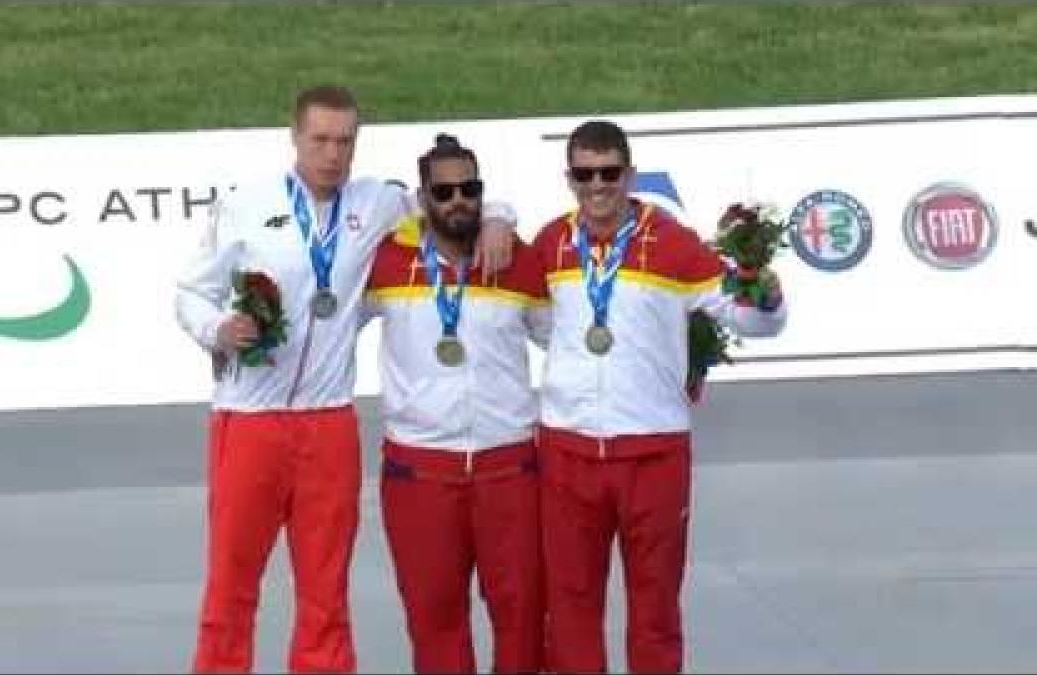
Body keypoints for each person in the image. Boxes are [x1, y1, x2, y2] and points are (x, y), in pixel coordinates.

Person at [173, 85, 518, 674]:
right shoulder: (244, 205)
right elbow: (189, 293)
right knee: (232, 586)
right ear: (295, 138)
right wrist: (217, 328)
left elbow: (447, 203)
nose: (333, 154)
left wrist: (499, 218)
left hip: (328, 423)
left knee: (326, 591)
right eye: (321, 140)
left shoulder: (377, 203)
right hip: (249, 422)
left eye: (345, 141)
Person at [530, 119, 788, 673]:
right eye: (584, 174)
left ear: (629, 173)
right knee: (570, 606)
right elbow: (529, 318)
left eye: (609, 173)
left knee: (655, 609)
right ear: (568, 178)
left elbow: (747, 316)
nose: (597, 185)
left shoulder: (671, 242)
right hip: (568, 451)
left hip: (653, 454)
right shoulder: (551, 242)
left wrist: (766, 297)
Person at [361, 134, 550, 674]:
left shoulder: (518, 260)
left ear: (483, 195)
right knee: (433, 619)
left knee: (523, 618)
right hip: (420, 472)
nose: (457, 201)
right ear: (423, 200)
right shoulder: (387, 261)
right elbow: (324, 324)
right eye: (443, 192)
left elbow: (566, 341)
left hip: (509, 468)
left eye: (469, 190)